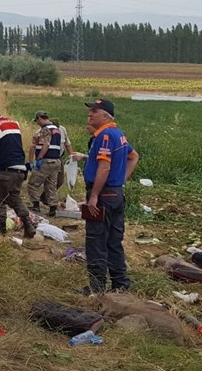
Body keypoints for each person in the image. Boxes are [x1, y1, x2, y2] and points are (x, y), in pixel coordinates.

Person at [81, 98, 139, 295]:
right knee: (114, 241)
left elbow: (104, 167)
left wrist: (94, 196)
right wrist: (120, 180)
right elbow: (134, 156)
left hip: (104, 195)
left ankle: (97, 289)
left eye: (94, 111)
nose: (90, 114)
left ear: (105, 116)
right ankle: (120, 284)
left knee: (96, 241)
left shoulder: (105, 136)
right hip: (116, 194)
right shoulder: (118, 134)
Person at [0, 104, 36, 238]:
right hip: (20, 170)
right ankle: (28, 224)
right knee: (15, 198)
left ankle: (1, 228)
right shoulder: (14, 123)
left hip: (4, 170)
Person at [27, 110, 63, 216]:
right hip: (56, 161)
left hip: (46, 161)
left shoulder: (44, 130)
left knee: (33, 184)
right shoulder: (57, 129)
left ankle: (36, 205)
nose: (37, 123)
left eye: (37, 120)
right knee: (51, 185)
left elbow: (46, 145)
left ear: (39, 118)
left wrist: (38, 158)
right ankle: (53, 208)